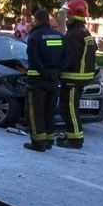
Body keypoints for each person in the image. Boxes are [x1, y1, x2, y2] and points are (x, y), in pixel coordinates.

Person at [23, 9, 67, 151]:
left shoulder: (34, 36)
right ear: (48, 20)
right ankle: (49, 140)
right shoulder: (59, 36)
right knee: (49, 111)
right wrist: (57, 71)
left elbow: (33, 59)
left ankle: (38, 142)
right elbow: (67, 57)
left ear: (36, 20)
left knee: (36, 112)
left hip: (37, 81)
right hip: (53, 81)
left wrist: (45, 72)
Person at [57, 0, 96, 149]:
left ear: (75, 14)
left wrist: (58, 70)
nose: (67, 18)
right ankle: (71, 133)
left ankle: (75, 139)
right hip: (79, 77)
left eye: (68, 14)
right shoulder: (83, 32)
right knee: (67, 107)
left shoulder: (74, 34)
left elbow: (70, 57)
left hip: (73, 77)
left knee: (69, 108)